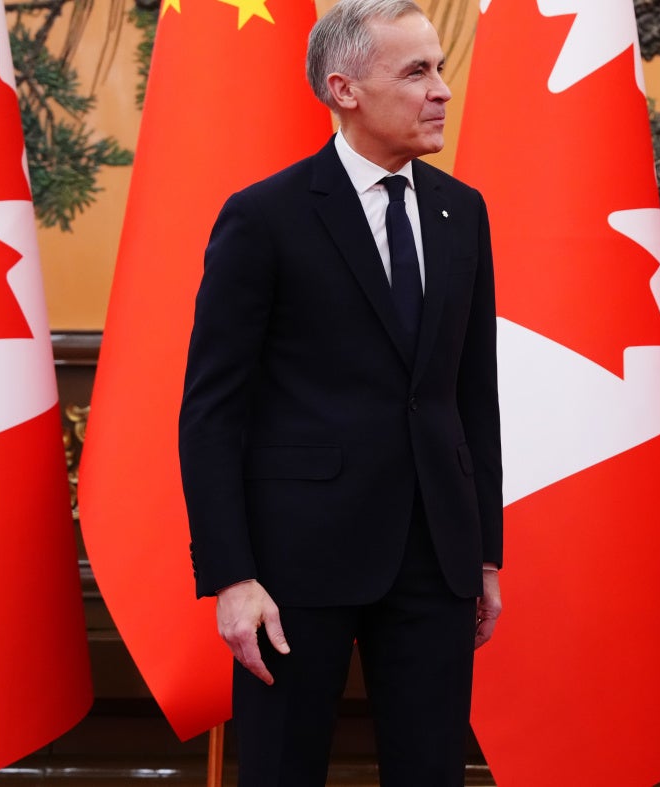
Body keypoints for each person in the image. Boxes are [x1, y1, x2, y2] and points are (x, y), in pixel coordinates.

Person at [177, 0, 502, 783]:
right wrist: (232, 577)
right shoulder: (264, 217)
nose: (442, 90)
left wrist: (485, 554)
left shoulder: (462, 212)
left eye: (440, 68)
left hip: (437, 560)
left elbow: (473, 394)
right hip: (294, 566)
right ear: (344, 89)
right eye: (417, 71)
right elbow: (212, 412)